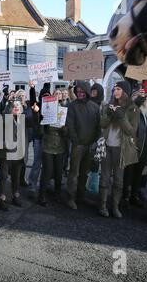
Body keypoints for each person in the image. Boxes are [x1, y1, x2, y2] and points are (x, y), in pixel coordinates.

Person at [98, 81, 140, 218]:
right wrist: (109, 114)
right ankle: (102, 206)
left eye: (118, 89)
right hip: (106, 147)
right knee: (104, 178)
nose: (115, 91)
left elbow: (131, 132)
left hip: (121, 149)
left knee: (118, 181)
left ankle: (115, 207)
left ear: (125, 92)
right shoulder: (108, 105)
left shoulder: (133, 108)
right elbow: (102, 124)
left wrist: (121, 116)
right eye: (114, 89)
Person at [66, 80, 101, 210]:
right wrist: (76, 141)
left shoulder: (95, 107)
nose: (80, 93)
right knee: (74, 173)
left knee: (84, 173)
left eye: (82, 91)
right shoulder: (72, 106)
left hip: (90, 145)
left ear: (87, 92)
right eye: (78, 91)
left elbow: (98, 126)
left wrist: (95, 142)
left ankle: (80, 196)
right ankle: (71, 197)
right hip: (78, 145)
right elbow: (70, 125)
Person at [37, 89, 69, 206]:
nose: (58, 95)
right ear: (52, 96)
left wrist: (64, 129)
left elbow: (67, 131)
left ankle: (57, 194)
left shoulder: (65, 110)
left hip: (60, 146)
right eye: (56, 93)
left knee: (58, 172)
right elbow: (40, 129)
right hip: (48, 145)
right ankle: (41, 196)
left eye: (60, 93)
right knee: (47, 171)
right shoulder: (47, 108)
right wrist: (42, 119)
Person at [122, 92, 147, 208]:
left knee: (138, 175)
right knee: (128, 174)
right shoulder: (132, 111)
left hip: (144, 150)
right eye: (144, 100)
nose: (145, 102)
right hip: (132, 148)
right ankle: (125, 197)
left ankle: (134, 196)